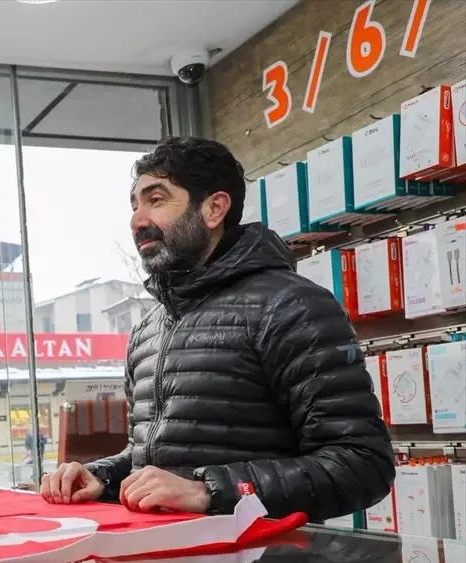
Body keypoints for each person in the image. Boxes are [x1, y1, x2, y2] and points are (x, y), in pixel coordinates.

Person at [41, 137, 394, 521]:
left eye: (156, 200)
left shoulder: (292, 306)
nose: (137, 221)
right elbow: (153, 457)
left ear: (213, 209)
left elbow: (362, 464)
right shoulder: (147, 331)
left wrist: (210, 491)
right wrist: (102, 476)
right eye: (134, 205)